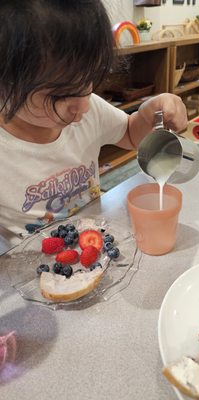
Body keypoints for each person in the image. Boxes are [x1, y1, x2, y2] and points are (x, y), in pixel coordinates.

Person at [0, 0, 187, 242]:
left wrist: (147, 114)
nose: (84, 105)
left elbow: (131, 134)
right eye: (60, 94)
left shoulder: (89, 111)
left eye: (88, 81)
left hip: (94, 240)